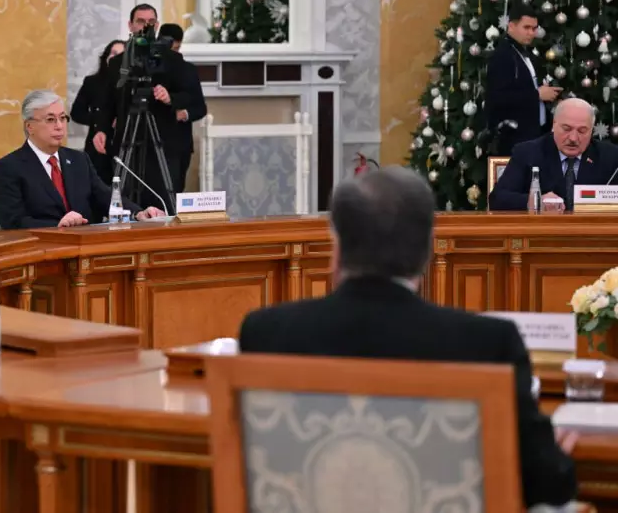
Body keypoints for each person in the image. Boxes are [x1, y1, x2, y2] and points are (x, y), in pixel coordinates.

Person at [238, 166, 578, 508]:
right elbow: (546, 484)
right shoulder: (487, 343)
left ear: (336, 249)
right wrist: (555, 461)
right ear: (427, 251)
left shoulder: (265, 333)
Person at [0, 90, 164, 230]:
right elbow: (13, 221)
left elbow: (104, 196)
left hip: (86, 245)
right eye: (50, 120)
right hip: (40, 248)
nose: (59, 126)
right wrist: (57, 225)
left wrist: (138, 213)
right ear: (30, 126)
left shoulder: (78, 159)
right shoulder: (8, 167)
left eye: (62, 118)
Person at [92, 4, 196, 210]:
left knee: (162, 204)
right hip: (127, 141)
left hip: (162, 144)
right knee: (126, 202)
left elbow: (190, 96)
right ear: (130, 25)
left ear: (157, 25)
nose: (145, 27)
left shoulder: (173, 60)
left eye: (150, 22)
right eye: (140, 21)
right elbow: (107, 102)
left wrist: (169, 98)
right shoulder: (118, 63)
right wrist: (101, 129)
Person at [489, 97, 618, 212]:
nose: (573, 138)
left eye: (582, 131)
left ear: (591, 130)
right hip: (543, 229)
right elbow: (497, 198)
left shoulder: (610, 156)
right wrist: (536, 201)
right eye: (566, 129)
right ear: (554, 125)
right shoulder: (527, 153)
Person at [486, 4, 562, 155]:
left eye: (534, 29)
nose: (531, 33)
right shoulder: (502, 56)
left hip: (535, 133)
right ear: (511, 26)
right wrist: (537, 95)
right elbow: (497, 98)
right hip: (515, 138)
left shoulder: (527, 54)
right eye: (526, 27)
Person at [157, 23, 207, 192]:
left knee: (175, 192)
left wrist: (184, 113)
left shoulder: (188, 70)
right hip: (151, 142)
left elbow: (200, 108)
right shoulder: (150, 68)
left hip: (178, 144)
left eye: (176, 49)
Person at [71, 39, 125, 183]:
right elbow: (76, 113)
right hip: (97, 145)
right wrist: (101, 120)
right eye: (114, 53)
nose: (116, 59)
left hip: (123, 146)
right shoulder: (92, 82)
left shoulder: (129, 85)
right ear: (106, 56)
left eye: (121, 55)